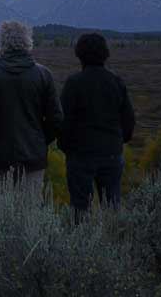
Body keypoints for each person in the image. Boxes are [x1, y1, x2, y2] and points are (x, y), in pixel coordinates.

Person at [0, 21, 63, 190]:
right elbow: (56, 118)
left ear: (1, 42)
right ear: (28, 42)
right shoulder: (43, 74)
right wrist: (40, 140)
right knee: (30, 206)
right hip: (33, 159)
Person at [59, 33, 135, 217]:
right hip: (111, 153)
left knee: (79, 209)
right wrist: (118, 141)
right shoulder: (116, 82)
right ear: (105, 54)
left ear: (79, 54)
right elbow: (129, 120)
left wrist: (66, 147)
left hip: (80, 155)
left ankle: (80, 236)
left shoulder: (74, 83)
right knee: (112, 207)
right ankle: (113, 234)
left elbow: (63, 121)